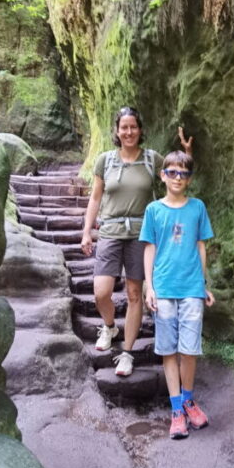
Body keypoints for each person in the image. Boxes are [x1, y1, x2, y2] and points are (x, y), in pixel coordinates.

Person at [80, 107, 191, 377]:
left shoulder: (152, 159)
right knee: (101, 291)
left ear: (140, 130)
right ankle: (109, 326)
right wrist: (86, 231)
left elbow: (177, 176)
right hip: (110, 232)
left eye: (133, 127)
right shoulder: (105, 161)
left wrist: (187, 154)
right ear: (117, 131)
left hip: (142, 234)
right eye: (123, 127)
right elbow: (95, 197)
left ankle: (127, 353)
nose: (128, 132)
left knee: (133, 294)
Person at [140, 150, 215, 439]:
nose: (177, 178)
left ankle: (188, 401)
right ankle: (176, 410)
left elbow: (200, 246)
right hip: (164, 288)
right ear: (163, 176)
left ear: (189, 178)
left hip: (191, 289)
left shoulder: (197, 208)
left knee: (189, 348)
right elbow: (150, 248)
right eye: (172, 172)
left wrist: (203, 284)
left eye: (183, 173)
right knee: (169, 349)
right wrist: (150, 286)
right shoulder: (154, 210)